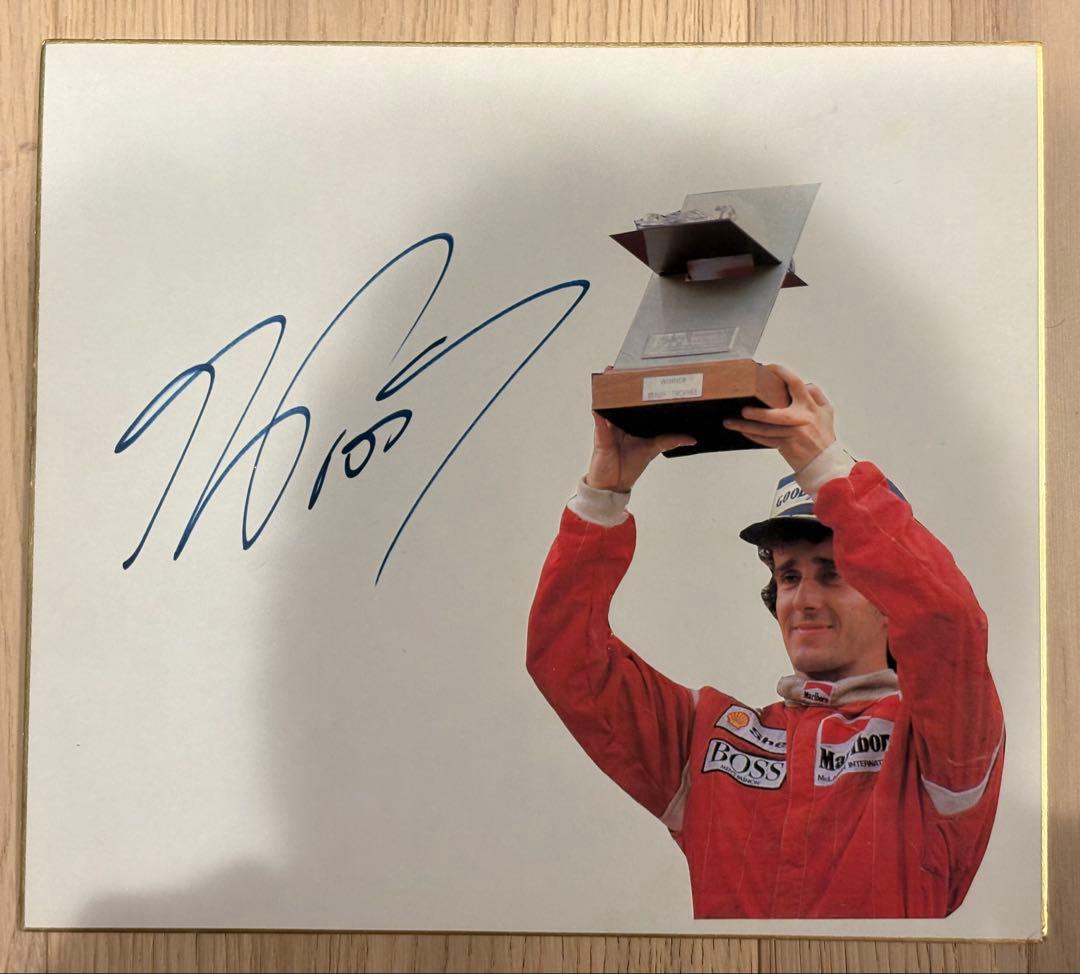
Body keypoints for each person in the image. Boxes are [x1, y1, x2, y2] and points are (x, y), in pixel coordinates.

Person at [526, 364, 1004, 919]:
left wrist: (825, 466)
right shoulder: (705, 736)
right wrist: (603, 496)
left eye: (832, 574)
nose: (804, 600)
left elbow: (947, 621)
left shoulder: (937, 742)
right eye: (789, 576)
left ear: (888, 600)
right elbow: (565, 657)